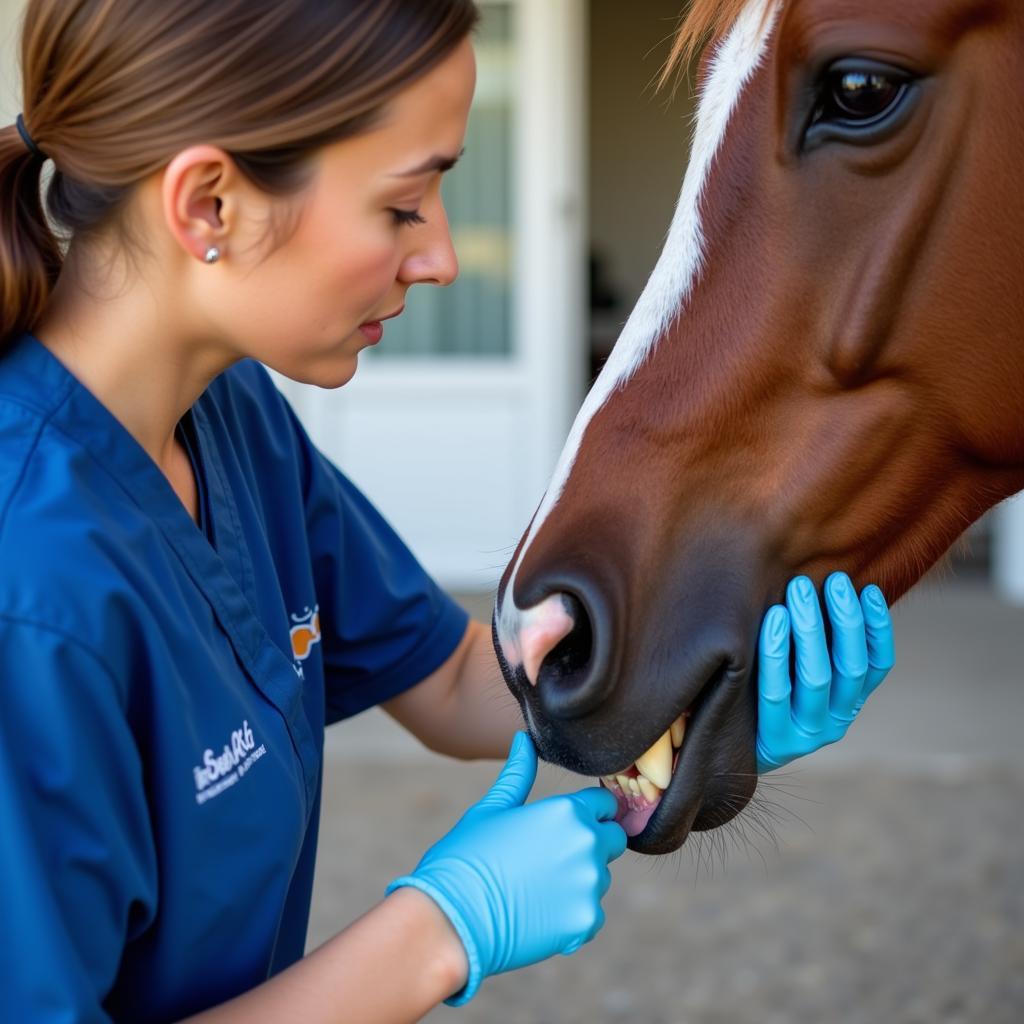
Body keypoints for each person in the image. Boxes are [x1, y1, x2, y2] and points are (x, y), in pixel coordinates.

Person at [0, 1, 896, 1021]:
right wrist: (437, 932)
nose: (440, 259)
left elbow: (461, 678)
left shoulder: (226, 418)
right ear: (208, 204)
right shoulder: (30, 592)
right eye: (401, 205)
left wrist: (694, 713)